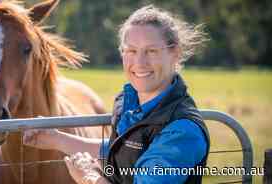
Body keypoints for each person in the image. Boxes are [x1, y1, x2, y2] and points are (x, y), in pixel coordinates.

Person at [24, 4, 210, 184]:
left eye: (151, 51)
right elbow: (121, 151)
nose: (140, 62)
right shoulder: (128, 102)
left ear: (175, 53)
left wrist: (90, 178)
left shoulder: (181, 131)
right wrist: (57, 139)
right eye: (131, 50)